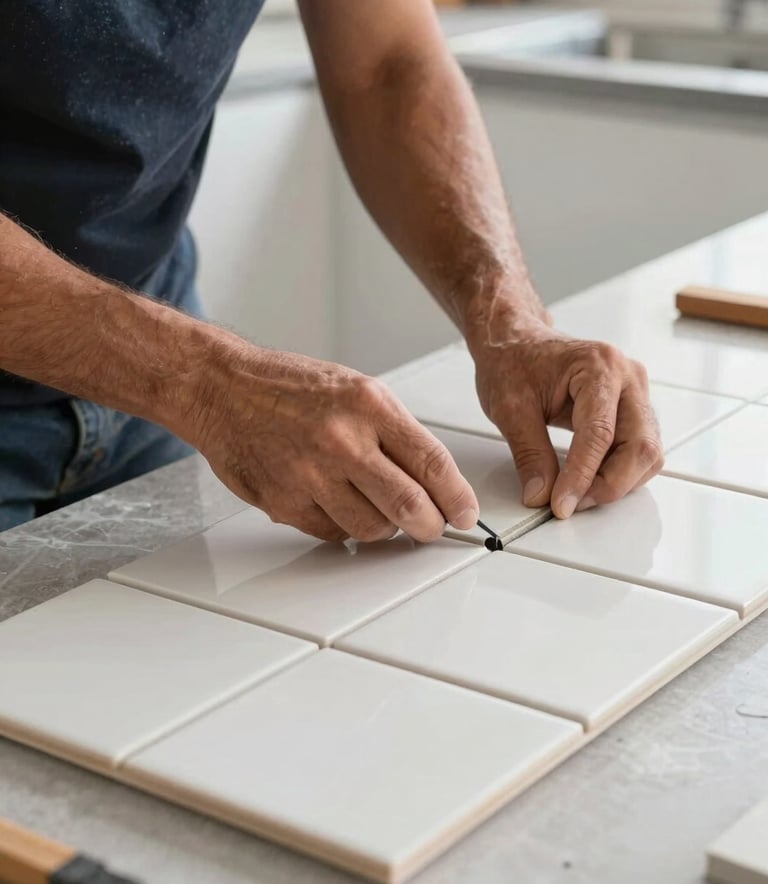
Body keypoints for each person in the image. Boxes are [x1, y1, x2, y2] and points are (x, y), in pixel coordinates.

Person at [0, 0, 663, 540]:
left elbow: (387, 62)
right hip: (157, 372)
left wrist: (510, 320)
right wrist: (201, 382)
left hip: (147, 355)